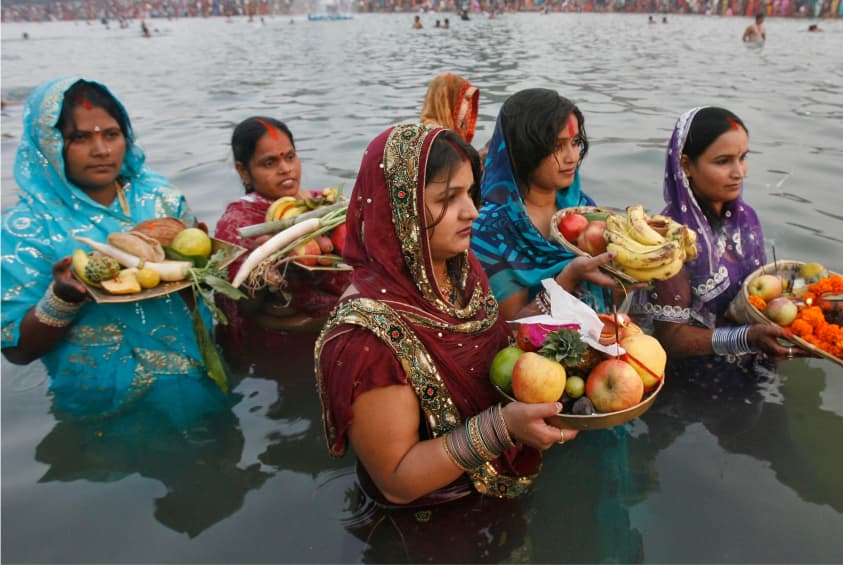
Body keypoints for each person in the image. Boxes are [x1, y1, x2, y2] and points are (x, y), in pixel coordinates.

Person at [316, 123, 575, 510]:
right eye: (447, 198)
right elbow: (397, 481)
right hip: (428, 523)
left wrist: (567, 283)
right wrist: (502, 427)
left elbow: (500, 346)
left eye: (470, 193)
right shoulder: (366, 337)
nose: (472, 211)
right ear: (399, 210)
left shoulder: (457, 268)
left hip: (494, 494)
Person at [1, 77, 230, 424]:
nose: (102, 150)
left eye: (110, 134)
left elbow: (201, 292)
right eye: (80, 137)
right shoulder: (27, 228)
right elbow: (17, 350)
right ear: (49, 144)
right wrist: (63, 297)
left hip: (195, 382)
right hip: (102, 407)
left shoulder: (160, 199)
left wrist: (204, 265)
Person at [633, 107, 805, 393]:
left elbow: (756, 297)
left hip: (753, 363)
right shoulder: (669, 241)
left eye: (743, 158)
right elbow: (669, 340)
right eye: (723, 161)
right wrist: (746, 338)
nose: (739, 172)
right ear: (686, 165)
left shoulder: (745, 218)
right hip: (693, 385)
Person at [471, 88, 618, 320]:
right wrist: (568, 277)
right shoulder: (489, 229)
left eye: (576, 142)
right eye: (558, 146)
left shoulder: (582, 208)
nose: (572, 157)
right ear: (524, 150)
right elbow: (513, 328)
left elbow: (609, 299)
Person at [213, 116, 350, 367]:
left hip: (332, 332)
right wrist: (266, 263)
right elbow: (241, 305)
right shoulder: (238, 225)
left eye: (290, 156)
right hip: (274, 350)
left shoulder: (322, 205)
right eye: (269, 162)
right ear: (244, 171)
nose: (286, 169)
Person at [419, 72, 479, 145]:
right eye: (465, 100)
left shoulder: (422, 130)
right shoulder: (441, 137)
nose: (468, 108)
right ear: (447, 100)